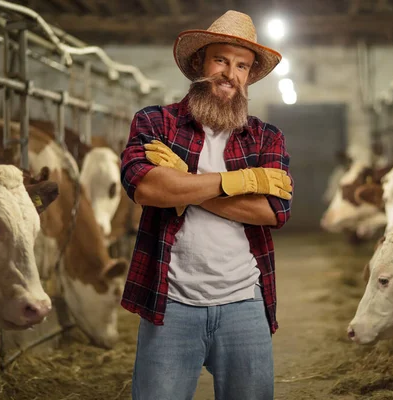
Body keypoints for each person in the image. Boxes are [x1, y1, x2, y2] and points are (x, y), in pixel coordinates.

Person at [120, 10, 293, 400]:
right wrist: (237, 183)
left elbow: (274, 212)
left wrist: (186, 185)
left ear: (248, 76)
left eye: (241, 66)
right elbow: (145, 188)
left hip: (244, 303)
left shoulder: (266, 137)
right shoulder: (155, 122)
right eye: (221, 60)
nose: (230, 74)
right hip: (171, 301)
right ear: (200, 63)